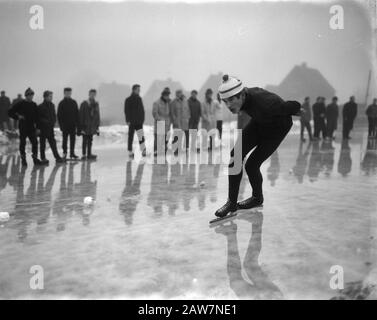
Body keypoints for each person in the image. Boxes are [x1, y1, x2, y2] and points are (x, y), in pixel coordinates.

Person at [214, 75, 300, 218]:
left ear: (242, 95)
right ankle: (232, 203)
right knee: (236, 154)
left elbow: (293, 105)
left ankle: (257, 198)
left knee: (252, 165)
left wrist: (299, 110)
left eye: (231, 100)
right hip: (260, 122)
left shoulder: (266, 103)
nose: (228, 105)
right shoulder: (245, 98)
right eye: (225, 101)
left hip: (277, 129)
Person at [8, 88, 43, 166]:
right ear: (26, 95)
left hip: (31, 127)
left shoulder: (34, 104)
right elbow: (10, 112)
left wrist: (38, 128)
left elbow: (37, 117)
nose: (31, 96)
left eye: (32, 95)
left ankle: (35, 158)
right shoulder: (20, 103)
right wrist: (18, 117)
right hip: (23, 127)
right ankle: (23, 159)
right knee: (22, 143)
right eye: (29, 95)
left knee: (35, 142)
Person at [37, 91, 65, 164]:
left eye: (52, 96)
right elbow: (38, 118)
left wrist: (54, 121)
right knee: (42, 144)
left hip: (50, 128)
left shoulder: (52, 105)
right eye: (50, 96)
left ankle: (57, 157)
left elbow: (53, 115)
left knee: (53, 143)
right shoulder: (40, 106)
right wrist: (39, 128)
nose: (51, 98)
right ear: (45, 97)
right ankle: (43, 158)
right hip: (43, 129)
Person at [57, 87, 80, 159]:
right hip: (65, 125)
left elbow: (77, 114)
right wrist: (61, 126)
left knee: (72, 140)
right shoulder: (61, 103)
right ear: (64, 93)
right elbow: (59, 115)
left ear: (71, 93)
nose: (68, 94)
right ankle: (64, 153)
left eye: (69, 93)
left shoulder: (74, 102)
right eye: (67, 93)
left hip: (73, 125)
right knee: (65, 140)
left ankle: (72, 153)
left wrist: (77, 125)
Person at [124, 84, 146, 157]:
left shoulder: (139, 99)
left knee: (141, 136)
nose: (139, 91)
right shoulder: (128, 99)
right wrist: (127, 120)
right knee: (130, 137)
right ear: (134, 90)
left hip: (139, 121)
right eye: (138, 89)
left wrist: (142, 119)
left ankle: (143, 150)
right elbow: (126, 111)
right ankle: (130, 151)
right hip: (132, 121)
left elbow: (142, 110)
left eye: (139, 90)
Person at [78, 89, 100, 160]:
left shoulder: (96, 104)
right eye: (91, 94)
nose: (93, 95)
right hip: (85, 125)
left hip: (92, 125)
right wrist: (81, 126)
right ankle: (84, 154)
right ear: (89, 94)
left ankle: (89, 154)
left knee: (90, 140)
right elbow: (81, 115)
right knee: (84, 140)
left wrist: (97, 126)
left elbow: (97, 115)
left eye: (94, 94)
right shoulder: (84, 103)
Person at [152, 87, 172, 157]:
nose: (168, 96)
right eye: (166, 95)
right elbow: (154, 113)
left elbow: (171, 113)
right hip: (159, 124)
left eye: (168, 95)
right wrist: (160, 119)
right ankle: (156, 151)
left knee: (166, 138)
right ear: (163, 95)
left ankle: (164, 149)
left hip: (167, 124)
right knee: (158, 138)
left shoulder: (169, 103)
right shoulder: (157, 102)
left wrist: (171, 120)